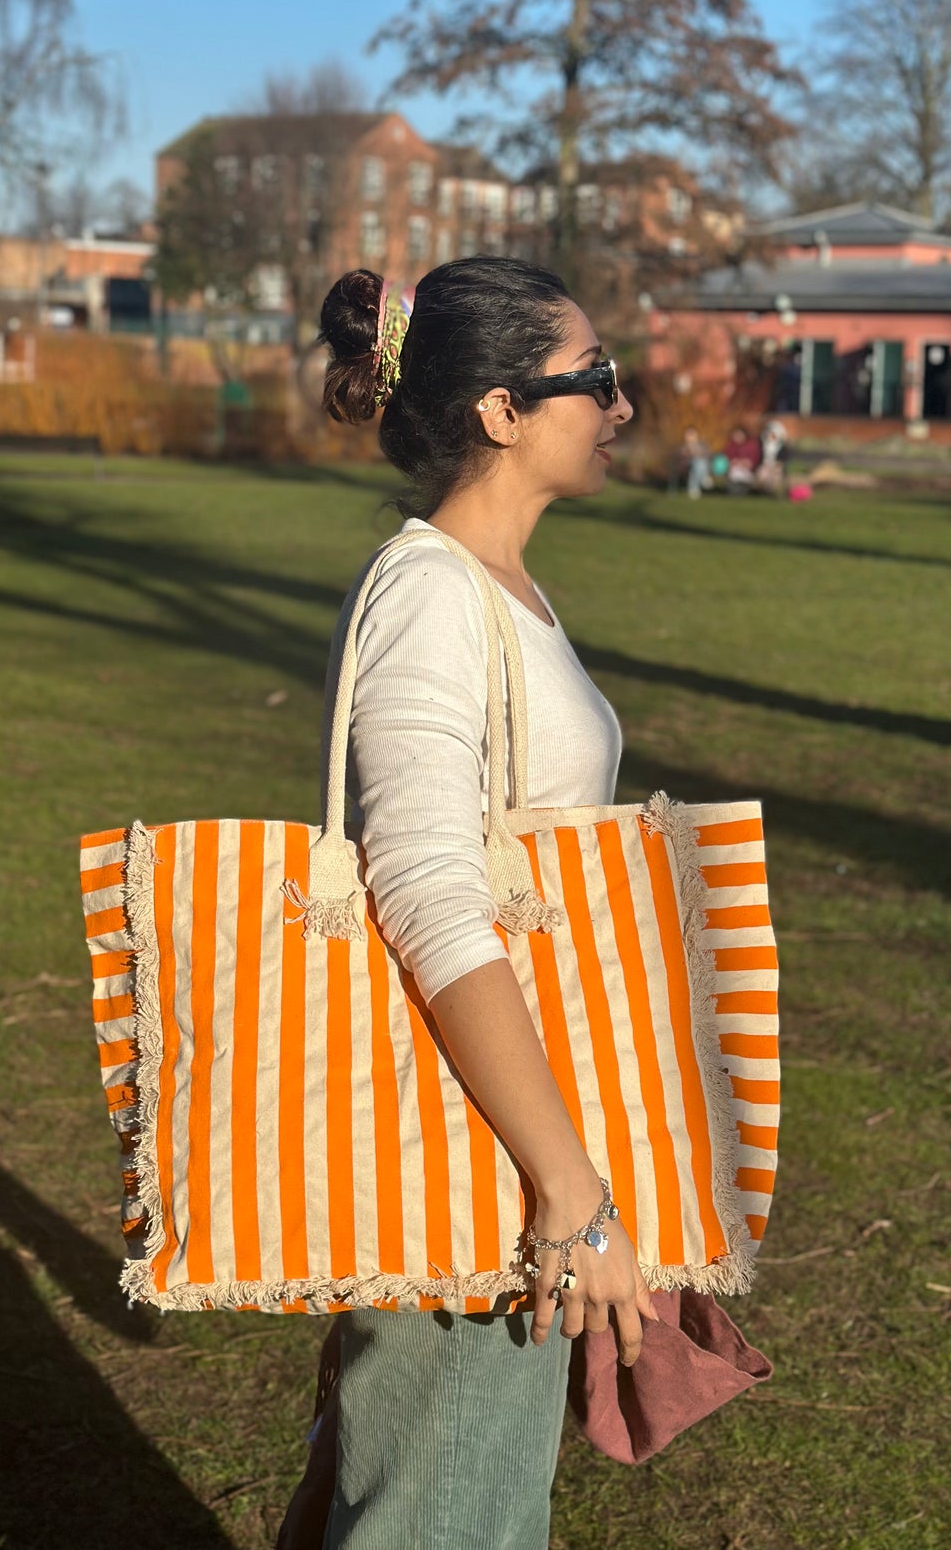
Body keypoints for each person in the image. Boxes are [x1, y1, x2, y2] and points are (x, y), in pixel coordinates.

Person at [302, 256, 649, 1550]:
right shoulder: (430, 593)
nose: (619, 408)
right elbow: (429, 896)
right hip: (463, 1155)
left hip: (508, 1132)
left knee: (469, 1506)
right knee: (443, 1517)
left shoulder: (508, 594)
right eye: (593, 381)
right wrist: (568, 1188)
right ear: (501, 411)